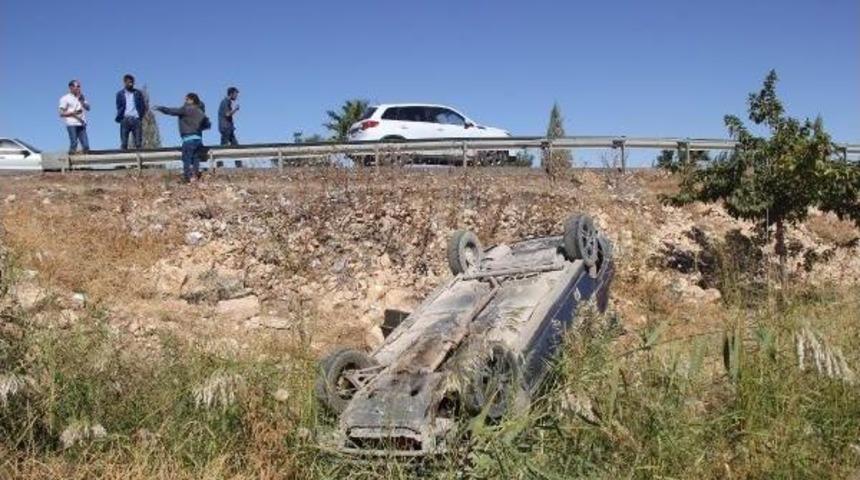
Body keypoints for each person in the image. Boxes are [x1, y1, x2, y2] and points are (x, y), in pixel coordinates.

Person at [154, 93, 210, 183]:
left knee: (186, 159)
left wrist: (160, 108)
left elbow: (171, 111)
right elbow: (207, 125)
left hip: (188, 139)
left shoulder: (185, 109)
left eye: (187, 99)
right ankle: (195, 177)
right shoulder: (200, 111)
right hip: (198, 140)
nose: (185, 101)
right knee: (196, 158)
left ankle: (187, 178)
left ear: (192, 100)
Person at [115, 74, 148, 150]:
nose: (131, 84)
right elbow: (118, 106)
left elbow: (143, 106)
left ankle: (139, 156)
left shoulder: (137, 93)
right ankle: (124, 157)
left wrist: (140, 116)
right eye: (129, 82)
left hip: (136, 119)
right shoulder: (120, 94)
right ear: (125, 83)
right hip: (125, 120)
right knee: (124, 143)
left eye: (132, 82)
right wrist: (121, 116)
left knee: (138, 143)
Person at [58, 80, 90, 154]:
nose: (79, 88)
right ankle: (71, 159)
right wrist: (74, 113)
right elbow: (61, 113)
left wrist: (82, 101)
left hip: (81, 123)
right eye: (77, 86)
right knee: (74, 144)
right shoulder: (65, 98)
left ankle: (84, 159)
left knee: (86, 146)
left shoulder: (82, 97)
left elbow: (88, 108)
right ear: (71, 87)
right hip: (71, 124)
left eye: (79, 86)